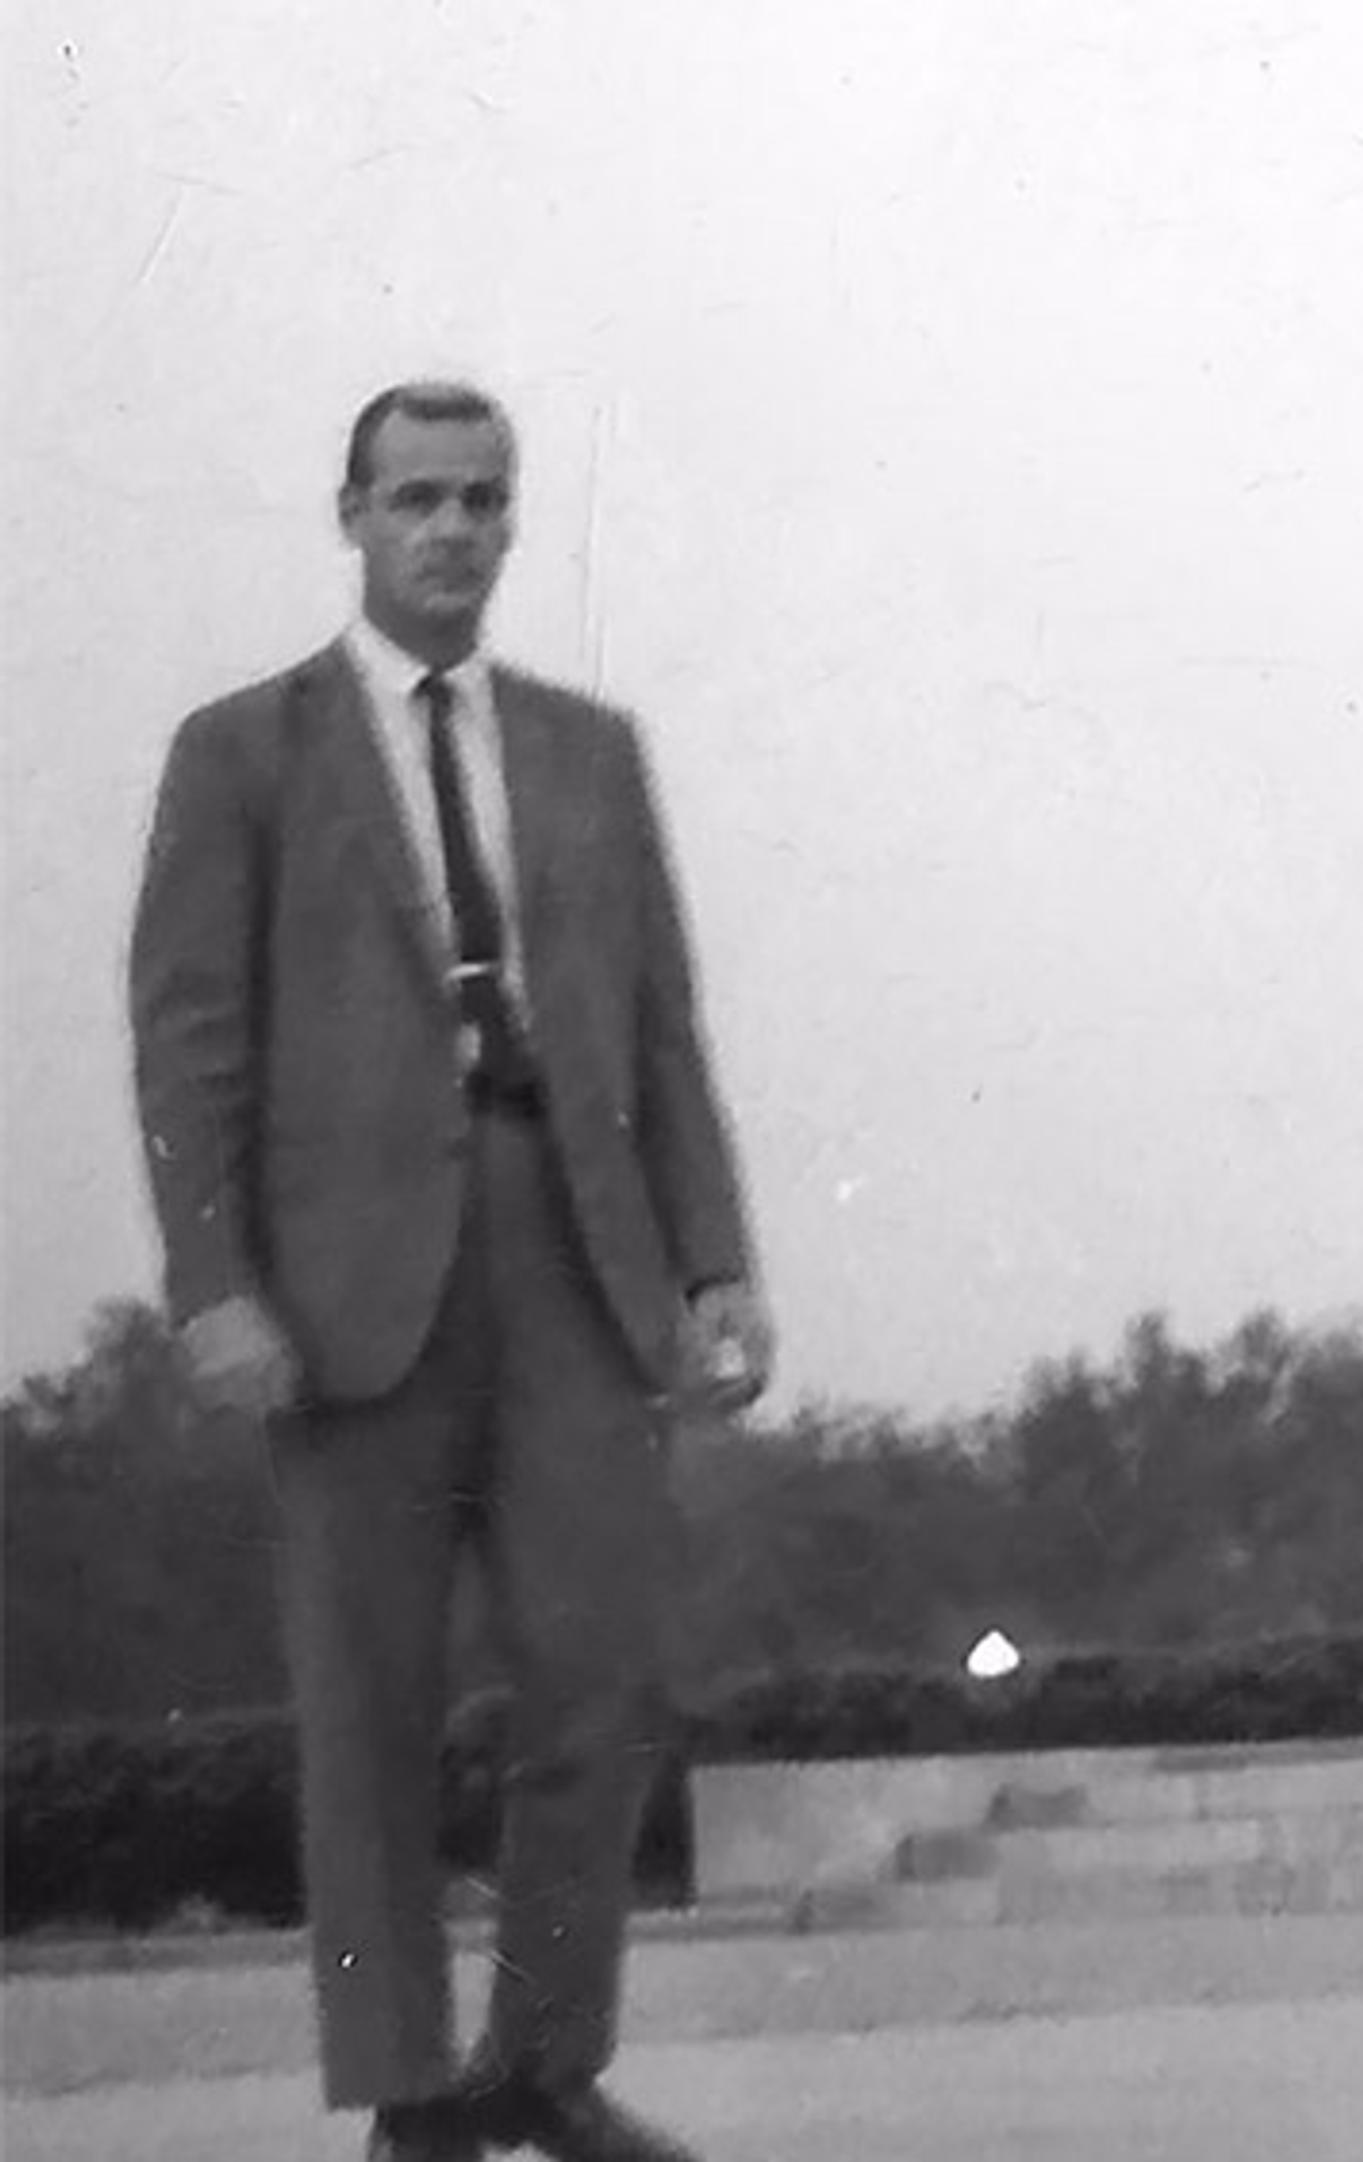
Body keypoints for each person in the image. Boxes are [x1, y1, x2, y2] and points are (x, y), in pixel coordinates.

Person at [128, 381, 768, 2162]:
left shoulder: (589, 749)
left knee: (601, 1674)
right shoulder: (242, 751)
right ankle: (409, 2090)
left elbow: (661, 1030)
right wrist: (212, 1284)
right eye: (417, 497)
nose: (454, 530)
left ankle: (544, 2061)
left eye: (486, 499)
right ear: (350, 513)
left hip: (574, 1247)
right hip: (345, 1289)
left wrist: (715, 1265)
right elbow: (187, 1046)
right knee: (368, 1706)